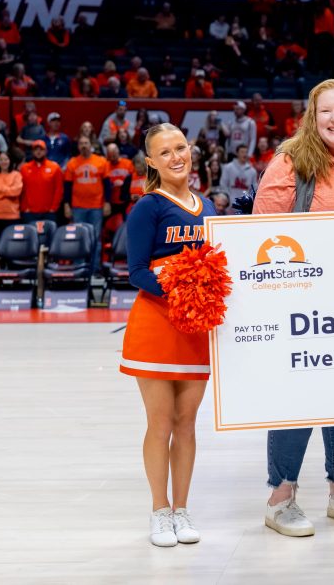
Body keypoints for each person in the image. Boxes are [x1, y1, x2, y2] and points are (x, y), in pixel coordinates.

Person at [254, 80, 334, 538]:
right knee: (296, 400)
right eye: (327, 111)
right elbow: (264, 237)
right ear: (312, 116)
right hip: (300, 302)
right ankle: (280, 499)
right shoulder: (290, 161)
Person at [120, 123, 216, 547]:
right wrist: (182, 289)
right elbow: (136, 272)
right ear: (151, 162)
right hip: (157, 323)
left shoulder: (207, 206)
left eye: (181, 147)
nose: (177, 157)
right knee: (160, 423)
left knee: (188, 423)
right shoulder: (148, 206)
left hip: (196, 327)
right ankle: (159, 511)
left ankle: (182, 510)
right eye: (165, 152)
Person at [64, 135, 111, 274]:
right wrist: (67, 205)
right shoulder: (72, 163)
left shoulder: (101, 161)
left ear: (91, 145)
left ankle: (94, 268)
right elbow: (67, 186)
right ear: (78, 146)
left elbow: (107, 185)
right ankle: (79, 268)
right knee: (78, 238)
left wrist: (107, 202)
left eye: (86, 143)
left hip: (96, 206)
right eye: (81, 143)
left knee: (95, 239)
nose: (84, 146)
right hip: (78, 207)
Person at [20, 139, 63, 223]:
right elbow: (22, 189)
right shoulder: (24, 168)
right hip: (29, 213)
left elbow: (59, 189)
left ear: (46, 151)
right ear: (32, 152)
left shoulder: (55, 167)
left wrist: (53, 208)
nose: (38, 152)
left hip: (49, 212)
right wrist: (24, 207)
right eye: (36, 149)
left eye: (41, 149)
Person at [0, 152, 22, 241]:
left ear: (10, 161)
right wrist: (7, 190)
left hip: (11, 216)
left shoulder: (16, 175)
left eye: (6, 159)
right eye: (1, 159)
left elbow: (16, 191)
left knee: (11, 244)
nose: (3, 162)